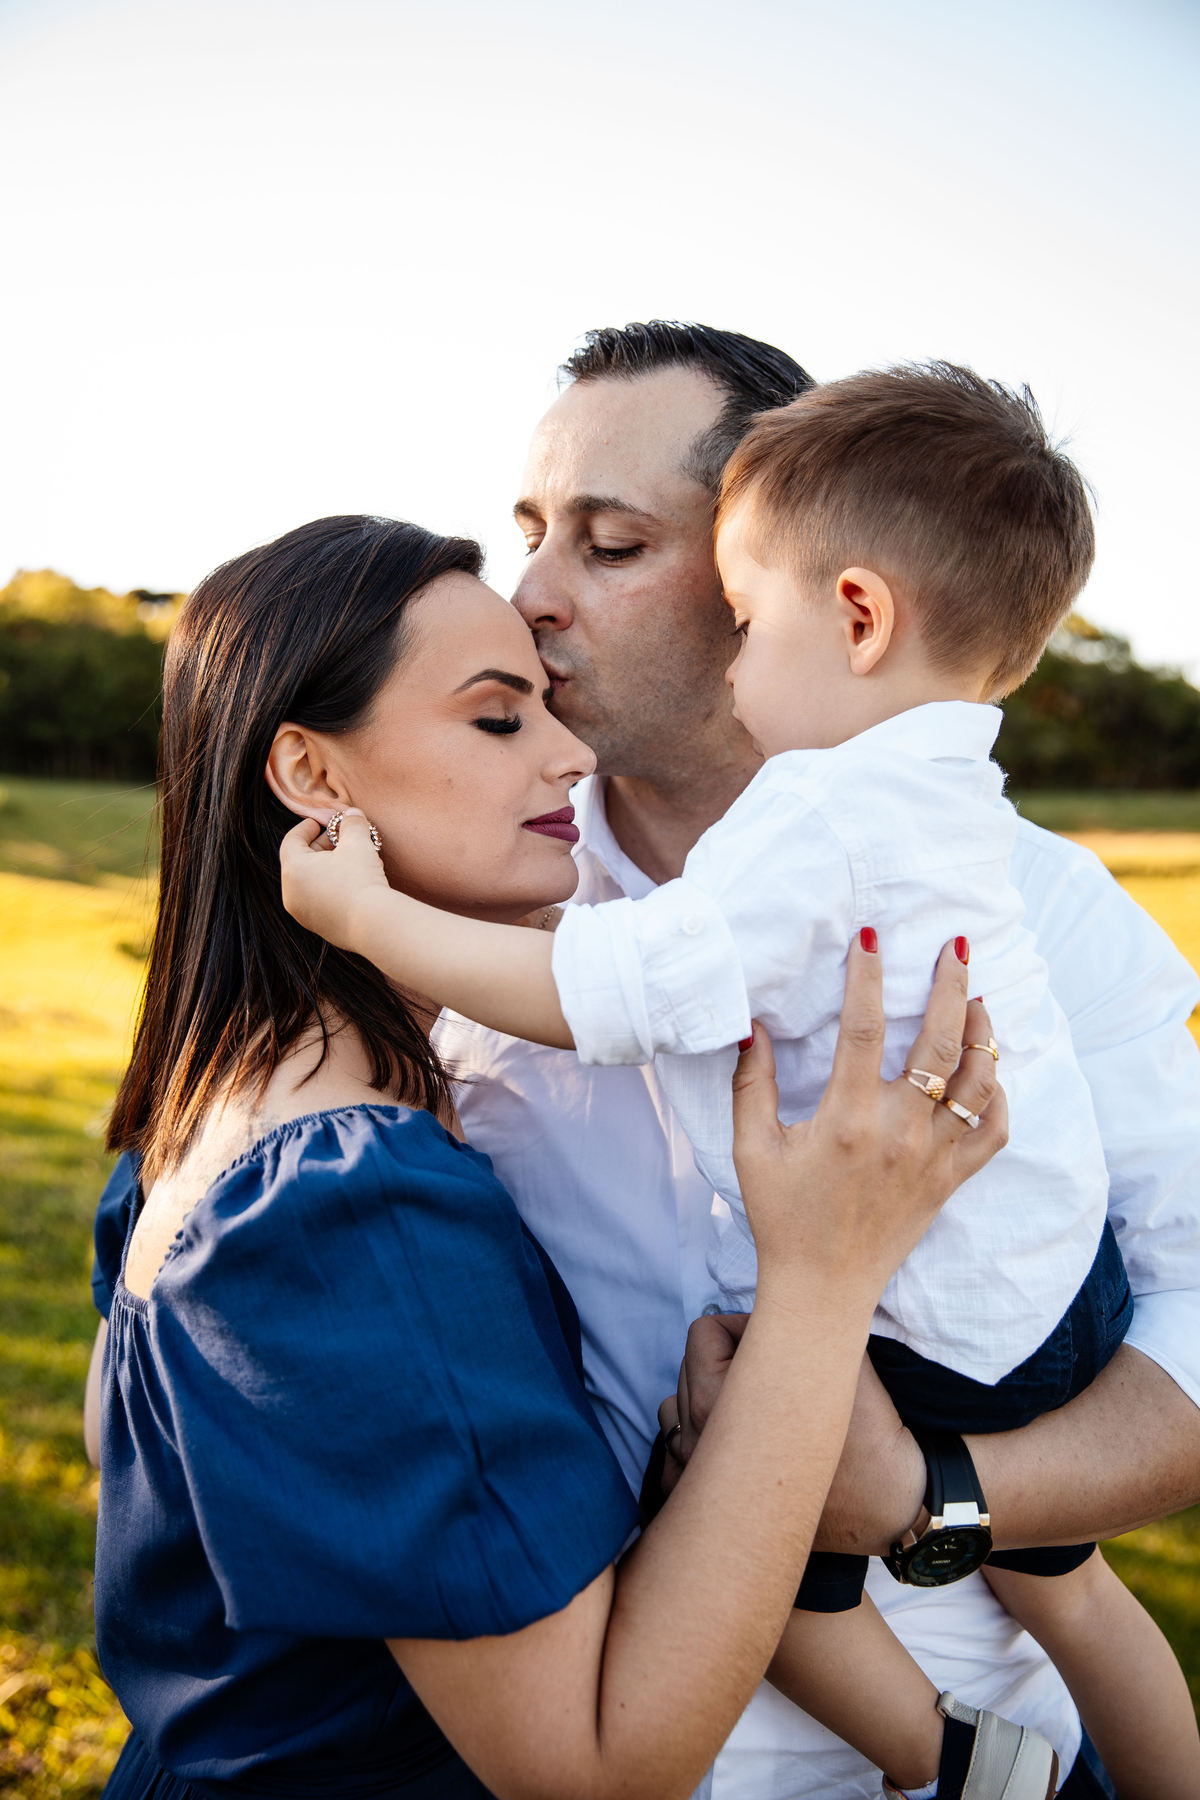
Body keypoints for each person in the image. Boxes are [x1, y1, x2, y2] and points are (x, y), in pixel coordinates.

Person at [276, 364, 1200, 1799]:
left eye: (614, 542)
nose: (529, 593)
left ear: (813, 592)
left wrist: (932, 1498)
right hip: (574, 1736)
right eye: (527, 529)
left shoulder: (1045, 916)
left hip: (979, 1728)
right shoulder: (469, 885)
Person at [86, 512, 1009, 1800]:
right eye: (498, 718)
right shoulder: (346, 1203)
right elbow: (593, 1769)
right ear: (312, 774)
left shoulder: (236, 1099)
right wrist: (824, 1278)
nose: (571, 755)